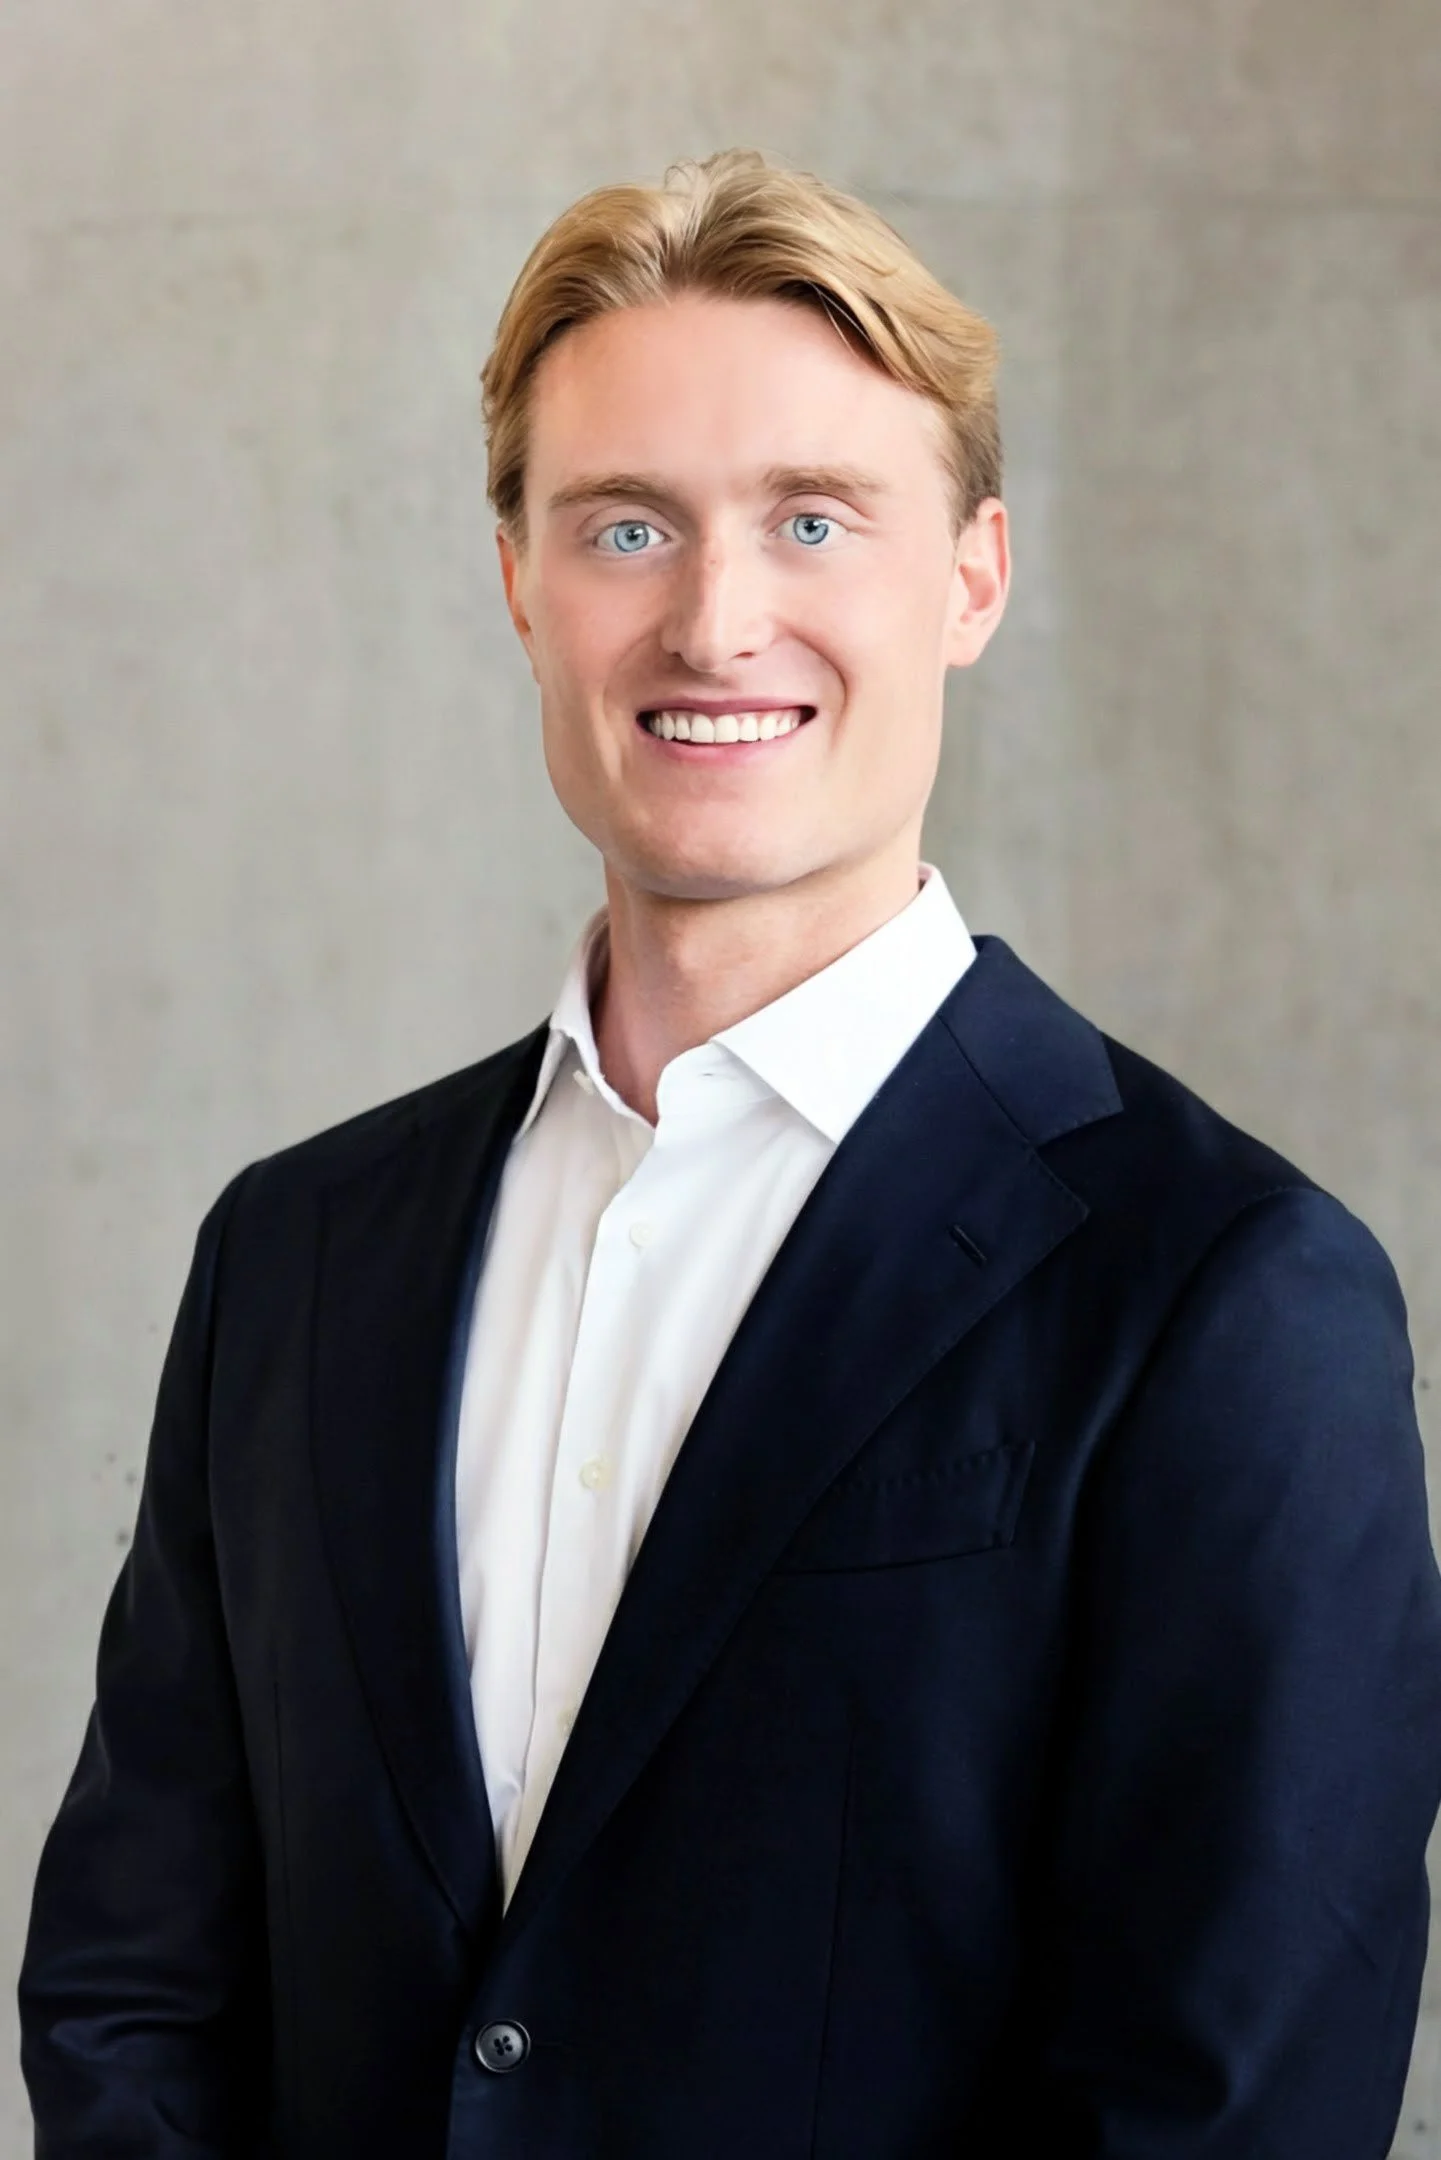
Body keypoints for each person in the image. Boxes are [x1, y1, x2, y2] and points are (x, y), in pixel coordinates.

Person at [19, 146, 1441, 2159]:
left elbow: (1226, 2107)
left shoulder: (1222, 1291)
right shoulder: (297, 1255)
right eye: (626, 527)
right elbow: (134, 1988)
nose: (715, 619)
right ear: (518, 581)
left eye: (812, 520)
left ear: (973, 578)